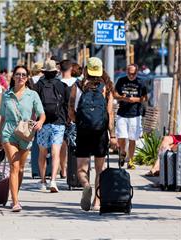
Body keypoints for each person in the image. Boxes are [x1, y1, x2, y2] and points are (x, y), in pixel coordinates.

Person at [68, 57, 117, 211]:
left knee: (81, 169)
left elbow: (70, 110)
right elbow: (109, 114)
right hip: (100, 132)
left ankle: (86, 185)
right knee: (99, 169)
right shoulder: (107, 87)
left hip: (83, 131)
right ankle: (97, 202)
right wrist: (113, 136)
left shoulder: (78, 85)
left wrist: (78, 121)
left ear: (86, 70)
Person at [0, 65, 46, 212]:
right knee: (14, 165)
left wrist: (40, 122)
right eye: (18, 74)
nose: (21, 77)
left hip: (25, 133)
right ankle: (15, 201)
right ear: (13, 77)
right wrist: (0, 138)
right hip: (9, 132)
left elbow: (41, 114)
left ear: (27, 78)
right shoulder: (6, 95)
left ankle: (14, 195)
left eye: (24, 75)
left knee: (20, 169)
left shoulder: (32, 95)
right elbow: (3, 117)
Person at [35, 60, 69, 193]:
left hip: (42, 123)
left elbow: (35, 104)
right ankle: (53, 180)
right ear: (56, 72)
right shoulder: (62, 85)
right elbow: (67, 105)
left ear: (43, 71)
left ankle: (43, 181)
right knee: (56, 152)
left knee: (42, 152)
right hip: (58, 122)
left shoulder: (38, 85)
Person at [114, 64, 148, 169]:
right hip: (122, 113)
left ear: (137, 72)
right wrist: (122, 98)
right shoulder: (121, 80)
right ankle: (123, 152)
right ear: (126, 71)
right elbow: (115, 94)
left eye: (133, 74)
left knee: (132, 139)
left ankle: (131, 161)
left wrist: (136, 100)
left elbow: (145, 98)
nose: (131, 76)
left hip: (135, 114)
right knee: (121, 137)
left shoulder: (141, 82)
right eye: (129, 73)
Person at [59, 60, 77, 179]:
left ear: (60, 70)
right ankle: (75, 170)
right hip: (75, 118)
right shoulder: (78, 83)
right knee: (75, 144)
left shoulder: (57, 83)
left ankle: (63, 169)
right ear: (71, 68)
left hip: (61, 117)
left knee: (62, 144)